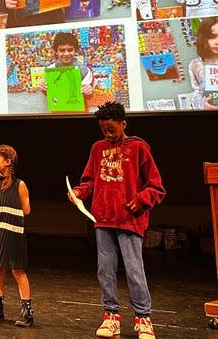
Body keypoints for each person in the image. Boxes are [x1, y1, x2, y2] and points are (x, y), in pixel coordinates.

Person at [68, 101, 165, 339]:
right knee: (105, 269)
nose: (108, 134)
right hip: (103, 218)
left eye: (112, 129)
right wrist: (80, 192)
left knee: (134, 270)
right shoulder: (98, 148)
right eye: (104, 130)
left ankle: (143, 318)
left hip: (129, 220)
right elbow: (90, 180)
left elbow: (157, 187)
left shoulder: (139, 148)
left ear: (123, 124)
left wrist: (141, 199)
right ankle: (110, 316)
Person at [0, 145, 33, 327]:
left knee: (17, 270)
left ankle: (27, 311)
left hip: (12, 233)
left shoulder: (19, 185)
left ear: (8, 162)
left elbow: (26, 210)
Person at [41, 31, 94, 99]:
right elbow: (49, 94)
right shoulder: (50, 70)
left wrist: (89, 90)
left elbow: (89, 96)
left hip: (79, 108)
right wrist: (44, 89)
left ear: (76, 50)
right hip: (57, 108)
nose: (66, 54)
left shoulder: (84, 70)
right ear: (56, 52)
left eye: (70, 50)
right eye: (62, 50)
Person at [189, 17, 218, 109]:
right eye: (212, 37)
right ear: (204, 38)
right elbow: (197, 92)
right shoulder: (196, 65)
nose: (217, 42)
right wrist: (202, 105)